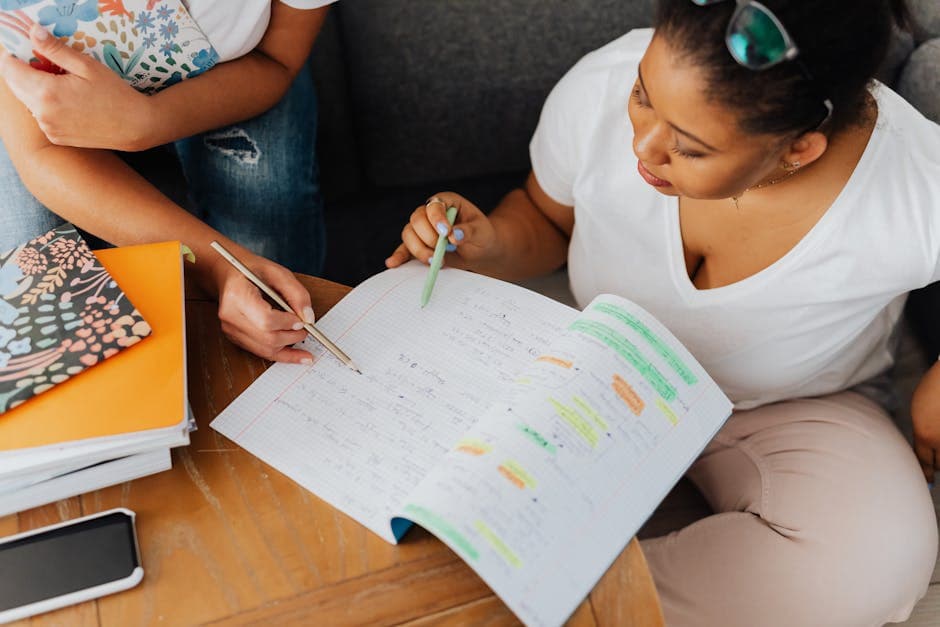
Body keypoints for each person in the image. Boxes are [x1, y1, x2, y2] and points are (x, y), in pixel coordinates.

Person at [387, 0, 940, 624]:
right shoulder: (602, 81)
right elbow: (545, 217)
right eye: (643, 96)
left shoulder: (913, 184)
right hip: (596, 372)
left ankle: (518, 605)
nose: (643, 146)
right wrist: (491, 243)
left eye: (690, 148)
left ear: (800, 150)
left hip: (788, 407)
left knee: (874, 567)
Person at [0, 0, 333, 363]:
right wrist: (220, 264)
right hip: (31, 104)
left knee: (268, 236)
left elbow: (277, 61)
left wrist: (145, 124)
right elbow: (40, 151)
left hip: (239, 67)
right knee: (31, 288)